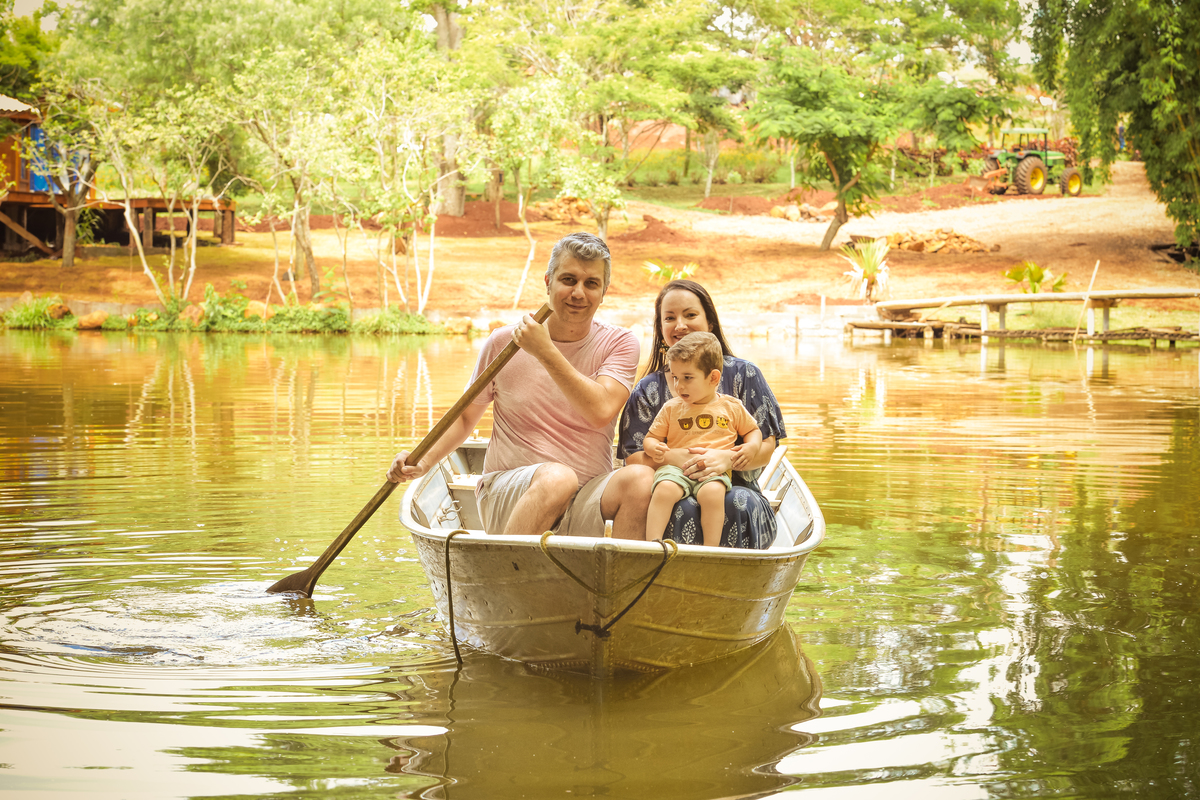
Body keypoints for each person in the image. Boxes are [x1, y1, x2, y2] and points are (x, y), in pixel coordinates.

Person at [386, 232, 652, 539]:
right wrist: (421, 460)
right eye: (568, 280)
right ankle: (499, 568)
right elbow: (463, 418)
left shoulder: (619, 343)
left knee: (641, 479)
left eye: (591, 283)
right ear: (548, 282)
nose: (578, 292)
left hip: (586, 495)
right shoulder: (504, 342)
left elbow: (601, 410)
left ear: (603, 292)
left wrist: (545, 351)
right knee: (557, 479)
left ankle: (621, 585)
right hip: (509, 492)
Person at [618, 279, 786, 549]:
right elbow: (633, 456)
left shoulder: (745, 375)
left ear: (710, 323)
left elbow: (766, 445)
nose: (680, 325)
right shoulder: (648, 389)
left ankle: (717, 560)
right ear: (661, 330)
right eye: (669, 318)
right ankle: (652, 553)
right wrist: (677, 459)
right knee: (663, 497)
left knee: (735, 502)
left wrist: (727, 459)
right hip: (670, 478)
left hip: (736, 487)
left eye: (690, 314)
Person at [643, 332, 763, 546]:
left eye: (687, 378)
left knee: (713, 493)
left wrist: (751, 447)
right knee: (664, 489)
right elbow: (651, 438)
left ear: (713, 378)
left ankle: (711, 549)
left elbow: (753, 431)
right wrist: (654, 448)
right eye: (675, 378)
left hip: (713, 472)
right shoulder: (672, 408)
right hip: (676, 469)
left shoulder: (731, 407)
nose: (679, 386)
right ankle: (653, 544)